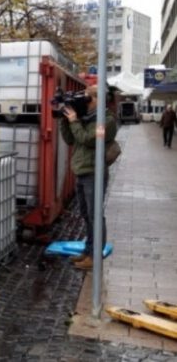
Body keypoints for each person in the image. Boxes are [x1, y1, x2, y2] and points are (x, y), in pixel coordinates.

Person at [59, 85, 117, 270]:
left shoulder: (106, 120)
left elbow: (88, 139)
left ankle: (95, 257)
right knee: (86, 215)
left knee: (95, 216)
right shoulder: (86, 118)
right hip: (82, 171)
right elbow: (70, 140)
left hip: (94, 172)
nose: (86, 101)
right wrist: (65, 119)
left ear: (97, 99)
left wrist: (75, 121)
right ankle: (88, 250)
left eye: (88, 98)